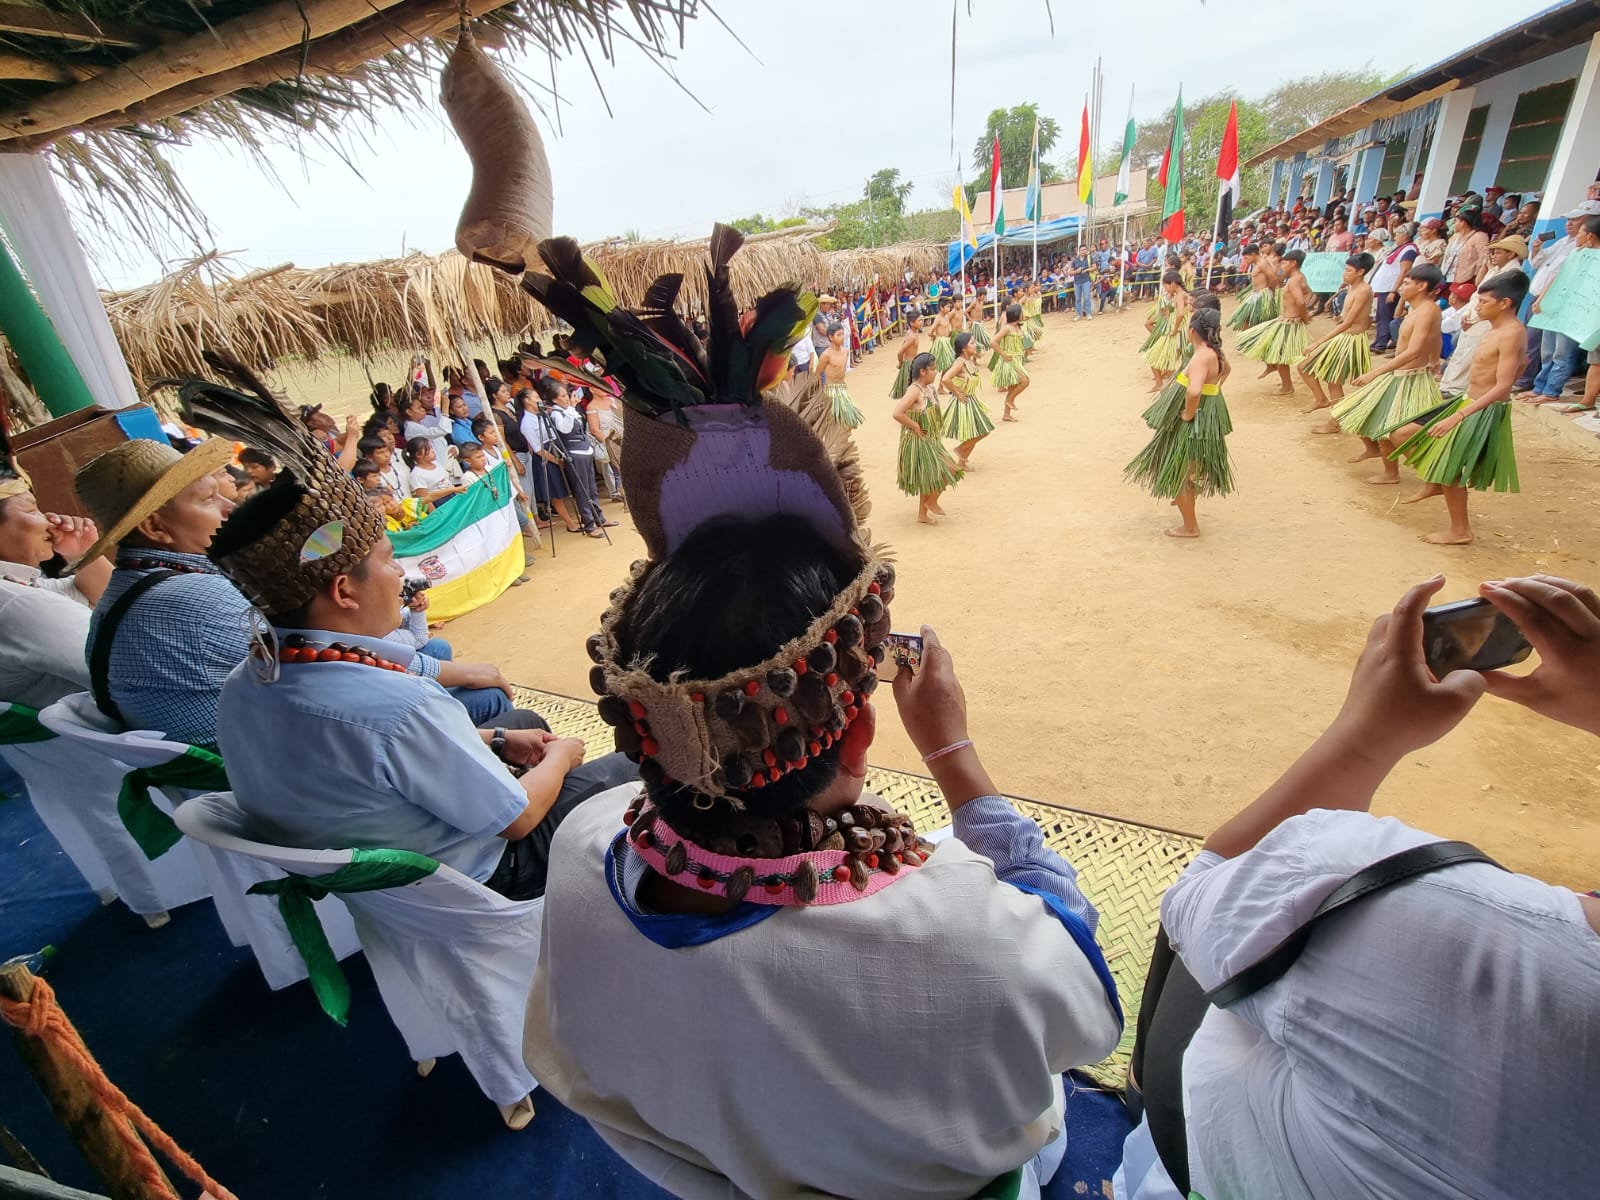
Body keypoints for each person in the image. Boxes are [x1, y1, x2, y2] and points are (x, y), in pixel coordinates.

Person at [519, 227, 1122, 1197]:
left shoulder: (590, 839)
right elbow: (1088, 1011)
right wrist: (958, 760)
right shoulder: (949, 921)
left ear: (644, 728)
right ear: (860, 731)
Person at [1115, 571, 1600, 1200]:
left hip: (1219, 1162)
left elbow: (1206, 888)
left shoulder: (1432, 909)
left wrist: (1367, 737)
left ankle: (1144, 1085)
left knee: (1228, 928)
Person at [1386, 271, 1531, 544]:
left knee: (1450, 466)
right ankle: (1436, 483)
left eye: (1484, 302)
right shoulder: (1495, 329)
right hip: (1468, 400)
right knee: (1401, 434)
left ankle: (1460, 530)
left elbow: (1503, 386)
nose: (1478, 306)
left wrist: (1458, 416)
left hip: (1482, 409)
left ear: (1505, 303)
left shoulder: (1511, 333)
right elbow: (1519, 364)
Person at [1324, 262, 1447, 482]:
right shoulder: (1420, 308)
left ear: (1422, 286)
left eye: (1406, 283)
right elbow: (1435, 338)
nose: (1401, 286)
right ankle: (1391, 472)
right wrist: (1435, 360)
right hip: (1399, 375)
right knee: (1377, 420)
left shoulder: (1428, 311)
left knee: (1389, 426)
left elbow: (1414, 350)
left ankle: (1432, 477)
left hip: (1409, 379)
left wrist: (1376, 372)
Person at [0, 461, 108, 709]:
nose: (48, 520)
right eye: (32, 511)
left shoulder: (17, 589)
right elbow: (125, 668)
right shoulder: (16, 603)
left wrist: (83, 553)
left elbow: (105, 596)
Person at [1125, 308, 1234, 538]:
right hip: (1207, 417)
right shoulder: (1216, 353)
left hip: (1194, 422)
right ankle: (1188, 515)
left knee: (1183, 473)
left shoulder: (1201, 357)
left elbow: (1193, 391)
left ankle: (1190, 527)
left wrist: (1188, 414)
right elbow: (1226, 371)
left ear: (1192, 331)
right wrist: (1212, 393)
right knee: (1189, 469)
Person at [1520, 212, 1600, 405]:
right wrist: (1542, 298)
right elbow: (1557, 277)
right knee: (1547, 351)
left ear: (1590, 235)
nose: (1577, 236)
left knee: (1562, 354)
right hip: (1557, 309)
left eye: (1581, 232)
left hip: (1576, 312)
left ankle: (1551, 390)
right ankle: (1539, 387)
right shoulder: (1575, 254)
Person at [1297, 253, 1375, 415]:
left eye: (1348, 270)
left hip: (1351, 339)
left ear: (1360, 272)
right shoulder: (1351, 286)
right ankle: (1321, 400)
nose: (1344, 273)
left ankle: (1335, 420)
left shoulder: (1364, 290)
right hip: (1344, 337)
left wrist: (1317, 343)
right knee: (1305, 368)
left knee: (1334, 381)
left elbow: (1348, 323)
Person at [538, 375, 614, 536]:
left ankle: (599, 516)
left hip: (584, 449)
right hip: (574, 453)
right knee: (582, 489)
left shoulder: (567, 411)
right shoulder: (556, 414)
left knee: (592, 487)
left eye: (567, 395)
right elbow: (565, 429)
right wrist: (571, 409)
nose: (567, 398)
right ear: (555, 400)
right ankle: (589, 524)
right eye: (563, 396)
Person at [1236, 248, 1311, 396]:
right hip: (1286, 320)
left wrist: (1303, 315)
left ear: (1293, 264)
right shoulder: (1299, 278)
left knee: (1279, 354)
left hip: (1289, 322)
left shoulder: (1295, 280)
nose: (1282, 266)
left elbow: (1301, 301)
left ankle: (1287, 386)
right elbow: (1308, 293)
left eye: (1285, 263)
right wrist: (1302, 313)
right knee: (1279, 353)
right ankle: (1285, 383)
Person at [941, 332, 995, 471]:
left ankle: (961, 462)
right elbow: (945, 379)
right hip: (963, 402)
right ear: (963, 348)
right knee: (983, 431)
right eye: (972, 342)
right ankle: (960, 449)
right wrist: (958, 393)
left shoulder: (968, 361)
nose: (975, 344)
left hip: (971, 400)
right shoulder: (959, 363)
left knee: (977, 431)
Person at [1369, 223, 1419, 354]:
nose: (1395, 237)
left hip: (1390, 288)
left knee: (1385, 317)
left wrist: (1393, 290)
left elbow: (1404, 271)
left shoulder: (1409, 251)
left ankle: (1381, 343)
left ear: (1406, 236)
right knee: (1380, 316)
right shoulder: (1401, 248)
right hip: (1385, 287)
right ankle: (1379, 340)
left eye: (1397, 234)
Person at [1141, 271, 1189, 393]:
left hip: (1174, 333)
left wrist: (1174, 329)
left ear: (1172, 283)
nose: (1165, 289)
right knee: (1163, 358)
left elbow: (1181, 314)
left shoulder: (1180, 295)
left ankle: (1160, 383)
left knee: (1152, 357)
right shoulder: (1180, 295)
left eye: (1166, 286)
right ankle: (1163, 381)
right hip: (1174, 331)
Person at [818, 322, 864, 430]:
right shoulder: (826, 355)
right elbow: (817, 373)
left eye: (843, 334)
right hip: (830, 390)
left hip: (842, 388)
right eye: (838, 335)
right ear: (830, 337)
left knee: (849, 421)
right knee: (834, 422)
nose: (842, 337)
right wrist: (821, 392)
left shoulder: (846, 352)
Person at [989, 302, 1031, 422]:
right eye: (1021, 313)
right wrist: (1003, 354)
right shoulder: (1007, 328)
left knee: (1013, 386)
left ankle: (1006, 414)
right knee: (1025, 381)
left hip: (1017, 360)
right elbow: (993, 342)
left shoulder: (1018, 327)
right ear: (1017, 315)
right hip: (1009, 360)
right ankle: (1009, 400)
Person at [403, 436, 466, 508]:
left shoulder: (436, 463)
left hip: (452, 496)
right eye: (428, 449)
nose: (432, 451)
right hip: (440, 503)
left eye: (431, 447)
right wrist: (435, 515)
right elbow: (425, 499)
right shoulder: (417, 474)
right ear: (418, 454)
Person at [1227, 244, 1279, 331]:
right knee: (1246, 320)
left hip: (1261, 296)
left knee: (1249, 321)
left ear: (1253, 255)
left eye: (1246, 258)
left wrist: (1269, 291)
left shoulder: (1263, 263)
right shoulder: (1258, 264)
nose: (1245, 260)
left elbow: (1273, 277)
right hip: (1256, 295)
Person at [888, 313, 924, 399]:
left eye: (922, 320)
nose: (922, 322)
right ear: (912, 323)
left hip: (912, 362)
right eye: (919, 320)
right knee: (912, 388)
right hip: (909, 364)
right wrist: (900, 363)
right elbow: (900, 352)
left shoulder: (913, 332)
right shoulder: (912, 336)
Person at [929, 298, 957, 372]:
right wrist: (936, 337)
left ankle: (943, 382)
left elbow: (947, 329)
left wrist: (951, 333)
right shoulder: (938, 318)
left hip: (946, 342)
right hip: (941, 343)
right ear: (941, 307)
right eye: (947, 307)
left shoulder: (946, 317)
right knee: (946, 366)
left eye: (950, 307)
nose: (949, 308)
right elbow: (930, 332)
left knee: (948, 365)